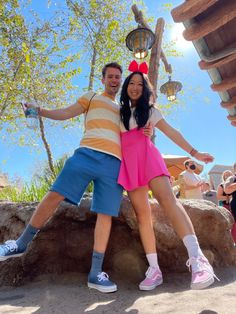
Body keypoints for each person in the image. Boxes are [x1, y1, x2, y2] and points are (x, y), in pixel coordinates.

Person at [0, 62, 130, 293]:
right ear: (103, 79)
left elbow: (132, 136)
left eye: (118, 77)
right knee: (54, 194)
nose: (114, 80)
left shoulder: (123, 108)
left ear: (121, 80)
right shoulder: (91, 97)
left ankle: (95, 274)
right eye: (110, 76)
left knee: (106, 214)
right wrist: (40, 111)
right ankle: (20, 244)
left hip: (113, 164)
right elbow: (66, 113)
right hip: (86, 154)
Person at [117, 68, 219, 291]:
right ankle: (154, 270)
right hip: (129, 164)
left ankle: (199, 260)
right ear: (125, 88)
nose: (135, 87)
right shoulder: (118, 113)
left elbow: (171, 132)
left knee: (169, 202)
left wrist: (195, 152)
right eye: (131, 83)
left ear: (145, 90)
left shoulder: (151, 111)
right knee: (143, 216)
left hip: (148, 157)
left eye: (140, 84)